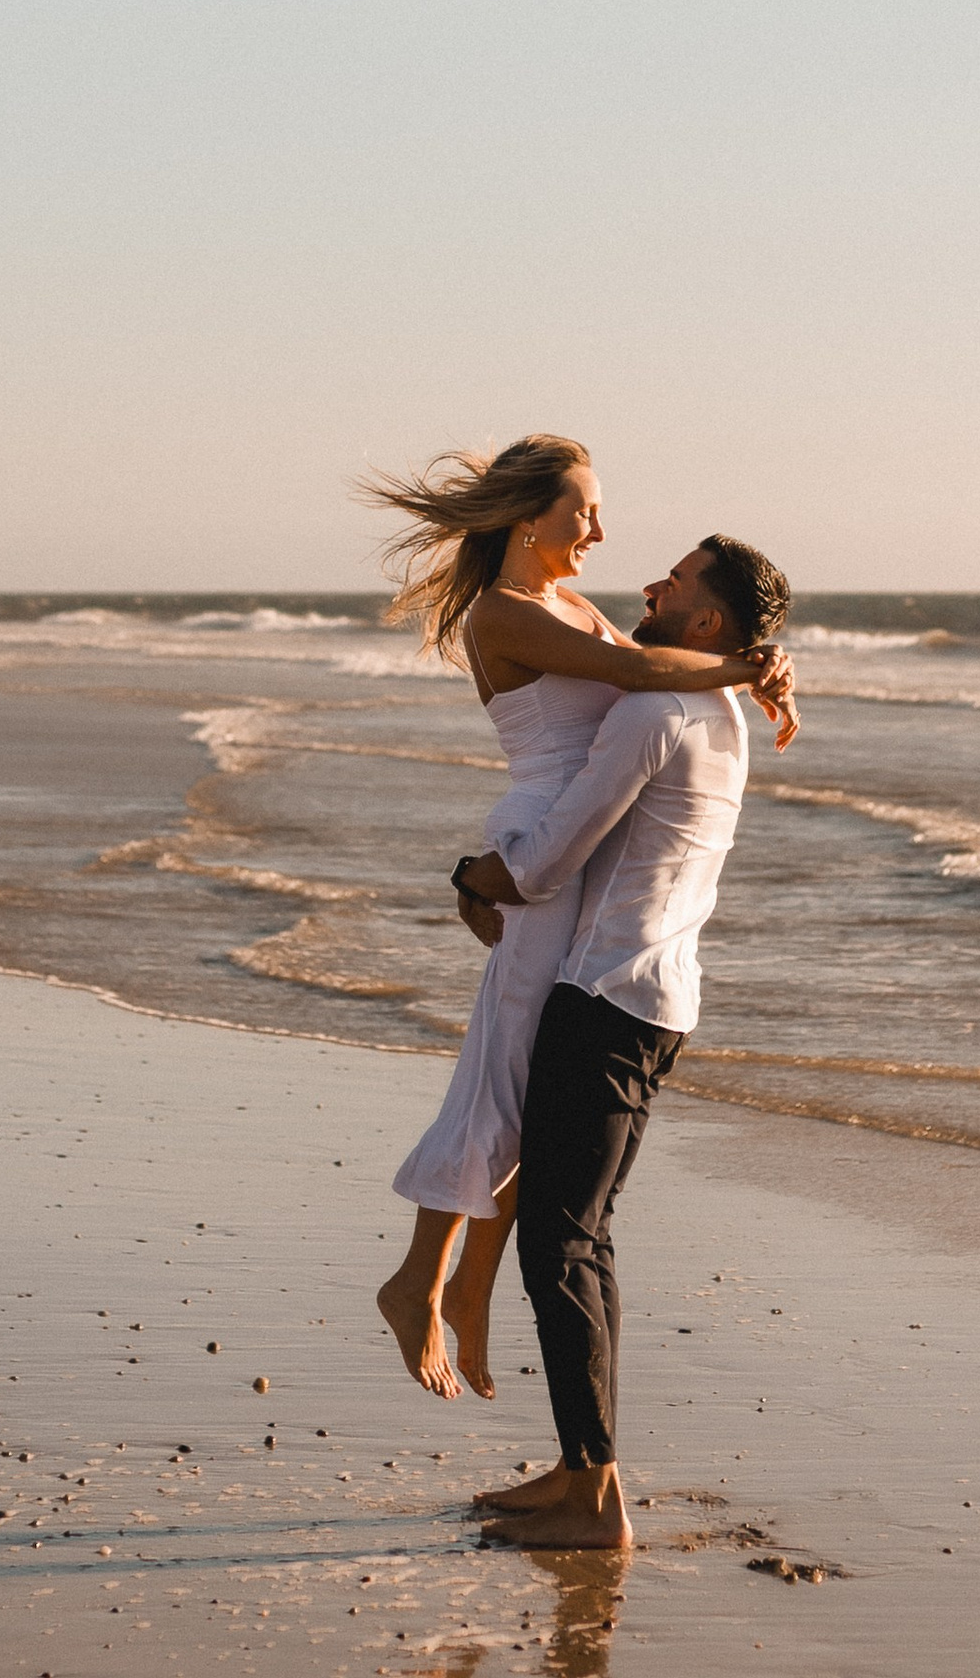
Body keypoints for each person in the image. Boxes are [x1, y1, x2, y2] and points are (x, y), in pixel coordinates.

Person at [361, 440, 796, 1401]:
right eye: (583, 512)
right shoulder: (505, 611)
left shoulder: (575, 606)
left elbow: (648, 664)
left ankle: (467, 1285)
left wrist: (751, 667)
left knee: (535, 1099)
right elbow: (637, 677)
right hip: (540, 855)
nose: (598, 531)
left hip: (570, 857)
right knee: (502, 1080)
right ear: (529, 516)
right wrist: (740, 660)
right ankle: (422, 1281)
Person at [453, 529, 792, 1552]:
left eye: (676, 582)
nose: (650, 583)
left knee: (559, 1242)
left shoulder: (655, 709)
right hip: (659, 999)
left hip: (603, 996)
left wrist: (472, 873)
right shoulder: (723, 709)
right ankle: (577, 1466)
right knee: (580, 1237)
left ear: (706, 622)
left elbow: (553, 856)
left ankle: (594, 1496)